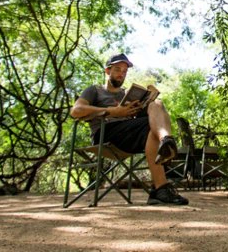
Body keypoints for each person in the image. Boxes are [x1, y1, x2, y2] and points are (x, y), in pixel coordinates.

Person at [71, 53, 189, 205]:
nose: (121, 74)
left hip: (129, 133)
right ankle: (160, 186)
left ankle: (165, 142)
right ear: (108, 71)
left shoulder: (127, 93)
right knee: (150, 126)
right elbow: (76, 111)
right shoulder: (95, 90)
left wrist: (147, 101)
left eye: (124, 71)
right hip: (106, 133)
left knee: (157, 105)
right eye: (118, 69)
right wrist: (114, 111)